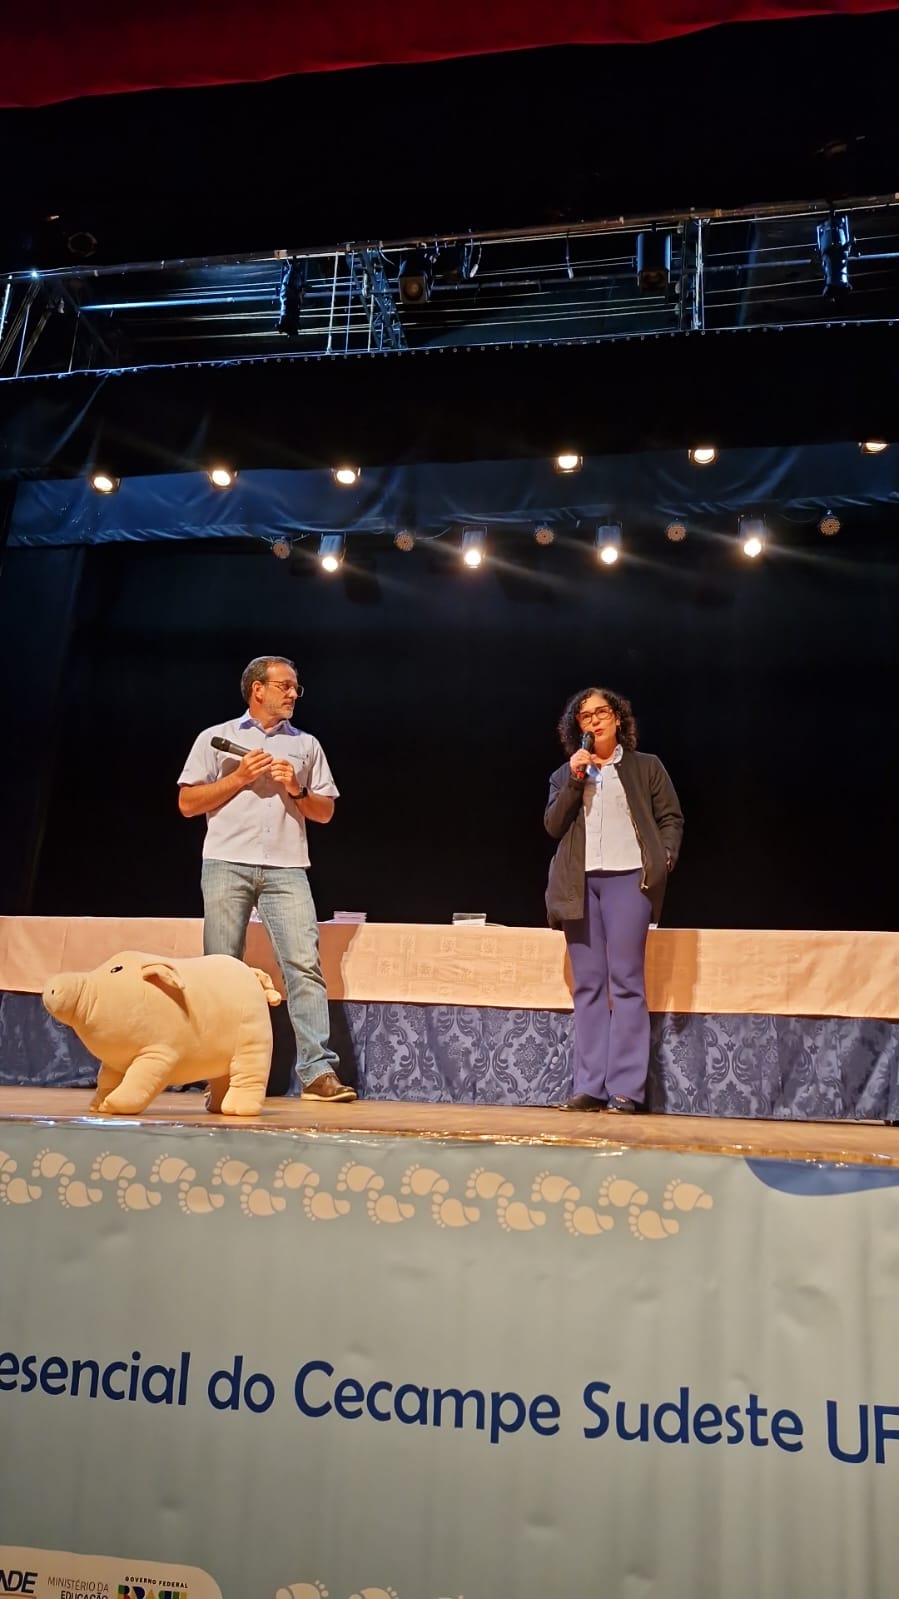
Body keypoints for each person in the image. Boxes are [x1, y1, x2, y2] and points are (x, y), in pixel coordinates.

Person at [177, 655, 355, 1102]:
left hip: (286, 866)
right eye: (285, 686)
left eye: (295, 687)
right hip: (225, 861)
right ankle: (221, 1073)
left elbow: (325, 812)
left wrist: (296, 788)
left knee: (304, 966)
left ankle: (317, 1073)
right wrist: (239, 778)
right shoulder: (216, 738)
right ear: (258, 689)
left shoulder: (306, 745)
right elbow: (188, 804)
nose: (294, 693)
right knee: (222, 969)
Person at [545, 686, 683, 1113]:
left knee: (626, 981)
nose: (595, 721)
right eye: (586, 717)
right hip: (579, 883)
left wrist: (663, 860)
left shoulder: (646, 766)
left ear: (618, 717)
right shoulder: (566, 773)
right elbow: (553, 825)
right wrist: (575, 779)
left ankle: (625, 1088)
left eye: (602, 712)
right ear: (578, 727)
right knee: (588, 984)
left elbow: (671, 818)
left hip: (628, 879)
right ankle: (589, 1086)